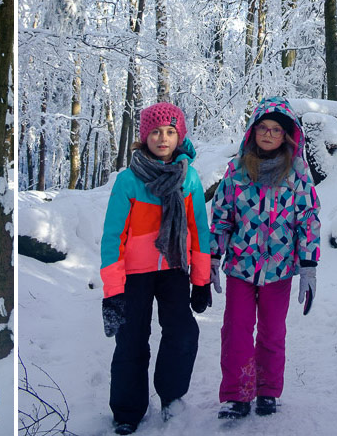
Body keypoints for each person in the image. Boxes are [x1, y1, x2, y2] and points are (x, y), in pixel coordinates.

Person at [100, 102, 212, 434]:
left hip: (174, 268)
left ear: (180, 136)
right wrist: (112, 292)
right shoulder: (128, 181)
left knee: (182, 332)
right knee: (131, 339)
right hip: (134, 274)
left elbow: (198, 231)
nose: (162, 138)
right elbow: (112, 237)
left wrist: (201, 280)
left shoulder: (188, 178)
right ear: (144, 136)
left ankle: (172, 396)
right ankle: (127, 411)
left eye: (170, 132)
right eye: (155, 132)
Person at [209, 97, 320, 420]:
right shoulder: (237, 171)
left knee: (272, 332)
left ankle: (267, 390)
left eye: (276, 130)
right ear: (253, 131)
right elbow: (222, 217)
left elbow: (308, 219)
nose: (269, 134)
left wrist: (309, 266)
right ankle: (236, 395)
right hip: (241, 268)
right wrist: (214, 255)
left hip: (280, 269)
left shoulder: (297, 174)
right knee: (237, 330)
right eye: (263, 128)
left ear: (286, 136)